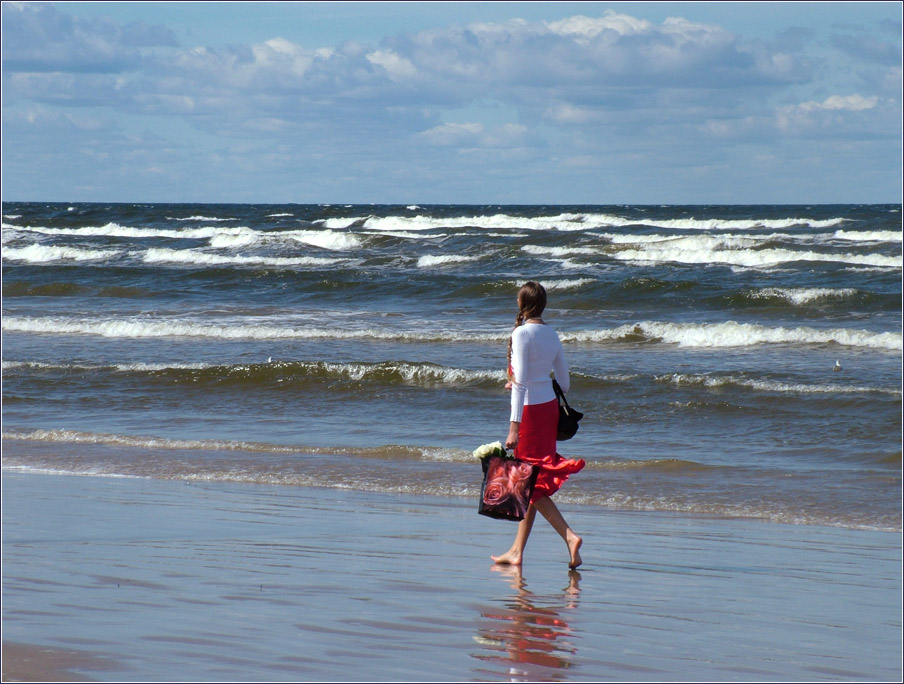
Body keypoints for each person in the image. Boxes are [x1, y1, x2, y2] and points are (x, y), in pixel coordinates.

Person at [492, 281, 585, 569]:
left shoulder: (521, 334)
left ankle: (569, 536)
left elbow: (520, 385)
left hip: (530, 413)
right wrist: (535, 379)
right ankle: (517, 551)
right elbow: (565, 385)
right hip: (549, 411)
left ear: (523, 304)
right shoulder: (552, 333)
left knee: (530, 485)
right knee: (534, 481)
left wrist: (513, 427)